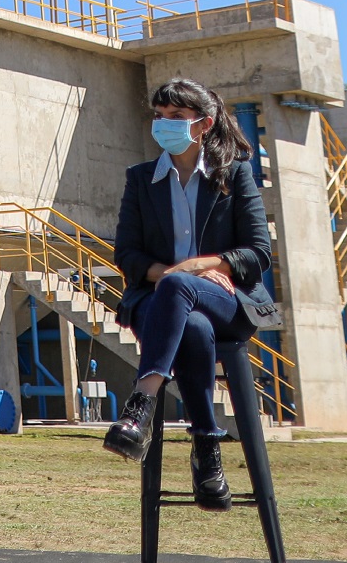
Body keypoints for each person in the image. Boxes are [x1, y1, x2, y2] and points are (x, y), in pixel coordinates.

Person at [103, 78, 281, 510]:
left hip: (226, 301)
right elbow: (126, 254)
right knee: (191, 323)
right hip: (158, 304)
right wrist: (174, 274)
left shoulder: (235, 175)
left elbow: (259, 253)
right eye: (160, 117)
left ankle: (141, 403)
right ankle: (207, 450)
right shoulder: (141, 180)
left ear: (203, 125)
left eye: (177, 118)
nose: (165, 125)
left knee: (186, 291)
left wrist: (204, 266)